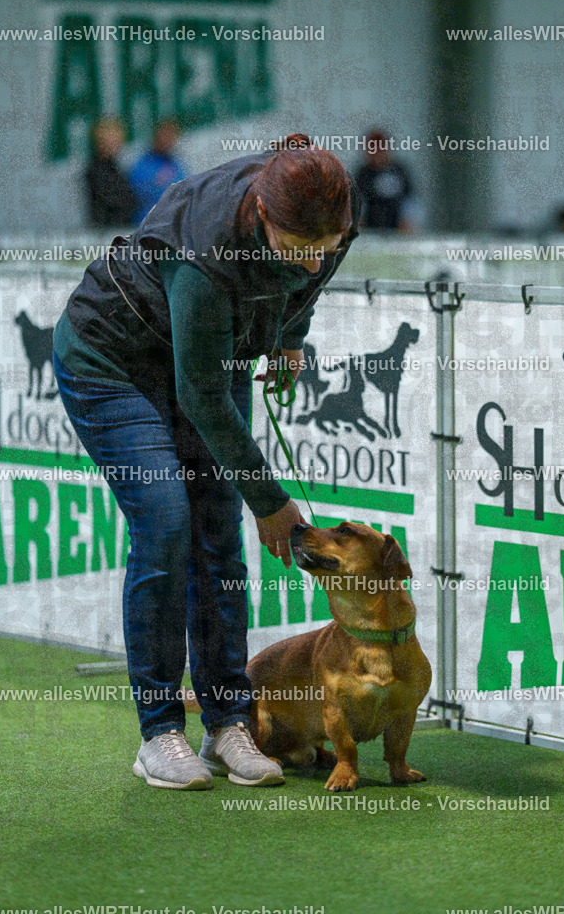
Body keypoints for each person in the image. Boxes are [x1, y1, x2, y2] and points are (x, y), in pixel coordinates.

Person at [52, 134, 361, 790]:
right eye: (294, 252)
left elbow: (303, 289)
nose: (311, 267)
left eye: (323, 252)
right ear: (260, 219)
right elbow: (201, 397)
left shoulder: (328, 219)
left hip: (208, 355)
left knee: (217, 535)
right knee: (166, 524)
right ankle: (160, 732)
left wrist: (286, 338)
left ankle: (228, 722)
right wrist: (271, 502)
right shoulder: (208, 251)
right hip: (112, 360)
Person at [129, 119, 188, 224]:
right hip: (146, 223)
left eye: (171, 136)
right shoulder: (143, 163)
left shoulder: (176, 164)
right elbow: (139, 192)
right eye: (164, 135)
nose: (167, 140)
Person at [354, 128, 413, 231]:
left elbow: (411, 200)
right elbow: (355, 201)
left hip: (398, 229)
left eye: (380, 150)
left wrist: (409, 220)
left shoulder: (399, 171)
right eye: (372, 150)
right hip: (370, 229)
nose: (377, 155)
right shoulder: (363, 174)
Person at [84, 118, 136, 227]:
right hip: (106, 232)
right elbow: (117, 202)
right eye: (111, 140)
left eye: (118, 141)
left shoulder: (115, 168)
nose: (116, 145)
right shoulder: (96, 170)